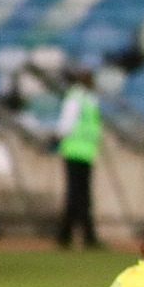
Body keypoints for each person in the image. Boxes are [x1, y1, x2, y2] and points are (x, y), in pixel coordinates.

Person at [55, 67, 102, 249]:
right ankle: (78, 236)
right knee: (78, 196)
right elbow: (67, 124)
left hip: (83, 151)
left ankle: (68, 235)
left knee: (79, 196)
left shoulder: (83, 98)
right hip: (77, 151)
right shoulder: (79, 98)